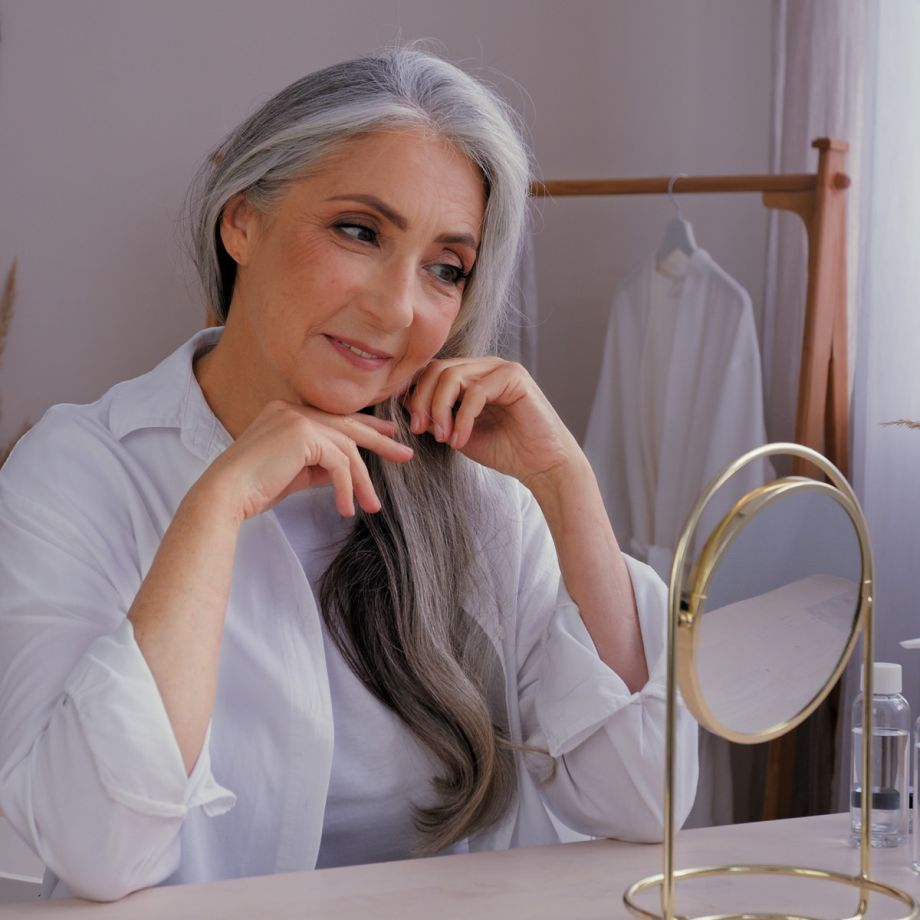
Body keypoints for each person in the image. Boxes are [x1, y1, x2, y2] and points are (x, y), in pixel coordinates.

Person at [0, 46, 698, 902]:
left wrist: (563, 483)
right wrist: (216, 507)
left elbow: (644, 802)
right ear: (241, 220)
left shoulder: (483, 496)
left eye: (446, 269)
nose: (398, 308)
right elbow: (93, 849)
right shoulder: (78, 474)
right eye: (360, 232)